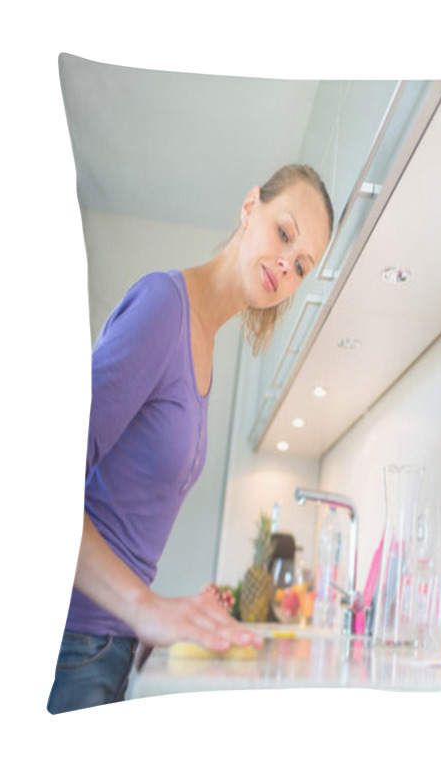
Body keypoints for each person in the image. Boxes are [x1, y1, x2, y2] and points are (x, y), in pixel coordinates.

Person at [47, 164, 334, 714]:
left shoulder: (203, 341)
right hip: (72, 642)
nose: (285, 263)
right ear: (250, 206)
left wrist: (165, 614)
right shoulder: (164, 307)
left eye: (301, 266)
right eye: (283, 232)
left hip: (108, 648)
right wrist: (146, 607)